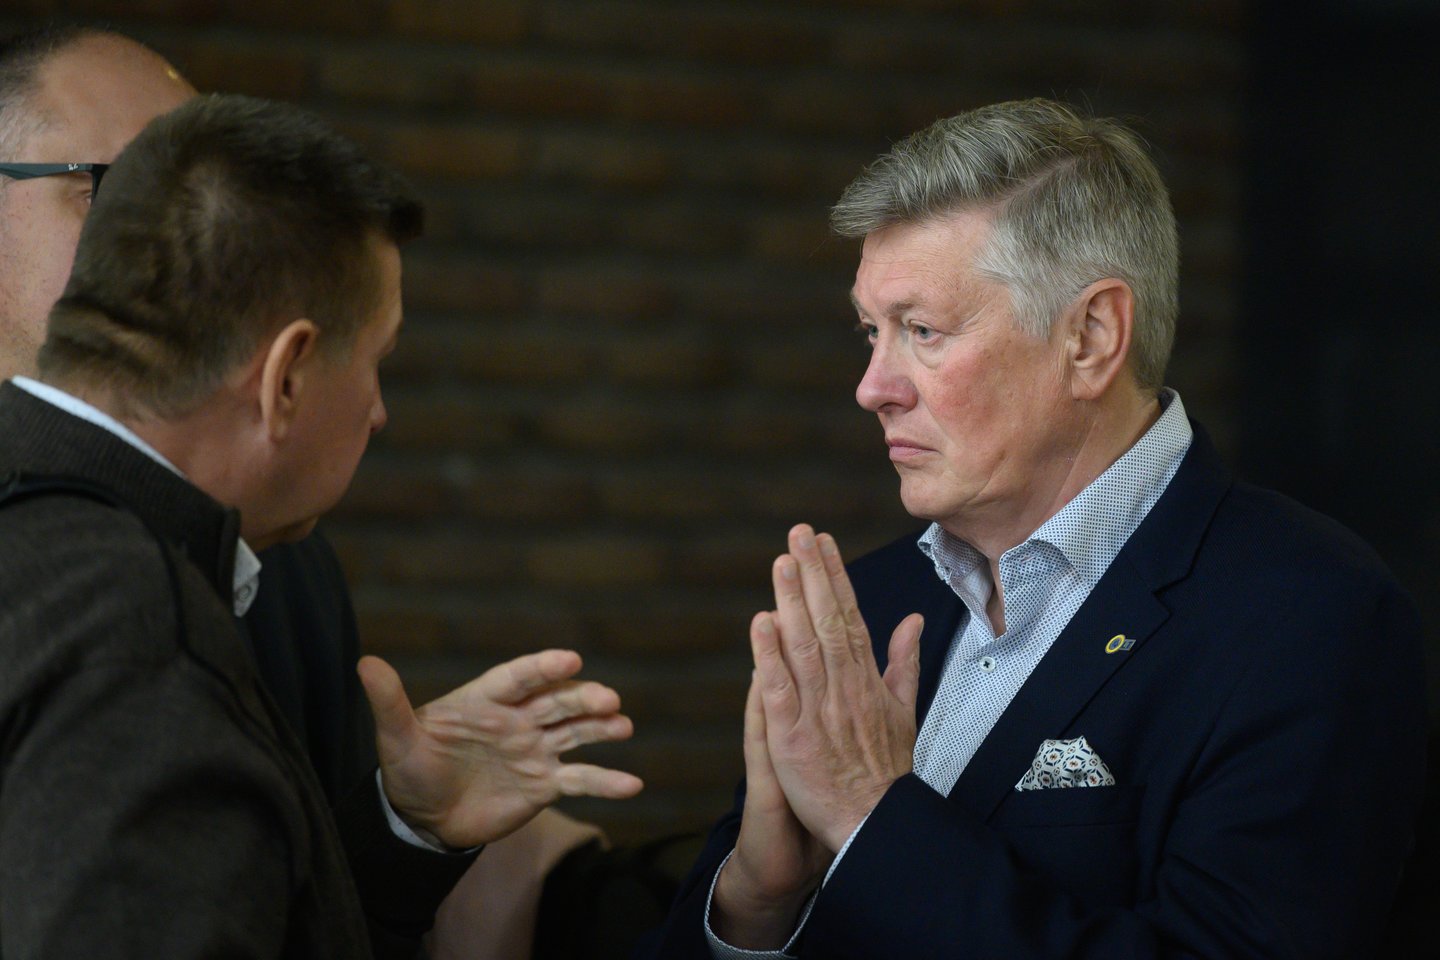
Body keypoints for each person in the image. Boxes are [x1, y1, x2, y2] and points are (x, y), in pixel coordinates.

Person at [642, 98, 1427, 958]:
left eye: (922, 331)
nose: (873, 388)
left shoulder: (1310, 616)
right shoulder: (866, 605)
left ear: (1091, 336)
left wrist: (873, 818)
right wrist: (756, 902)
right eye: (871, 332)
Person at [0, 26, 622, 959]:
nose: (379, 412)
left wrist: (403, 830)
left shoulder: (234, 571)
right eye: (377, 360)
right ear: (285, 378)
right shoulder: (133, 620)